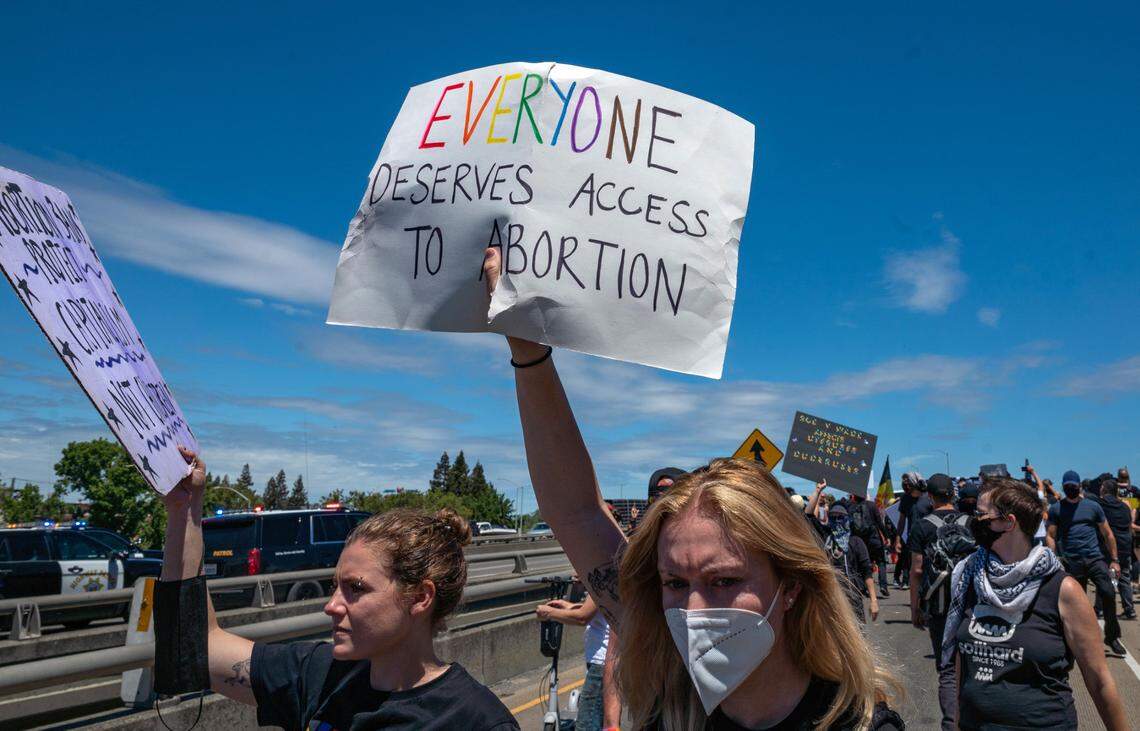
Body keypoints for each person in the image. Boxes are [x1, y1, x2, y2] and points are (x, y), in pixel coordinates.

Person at [483, 248, 902, 730]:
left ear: (789, 586)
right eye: (675, 583)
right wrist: (527, 350)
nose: (693, 612)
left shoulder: (860, 724)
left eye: (724, 581)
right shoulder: (673, 689)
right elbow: (577, 511)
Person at [156, 447, 519, 731]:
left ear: (420, 597)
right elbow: (197, 649)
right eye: (335, 587)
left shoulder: (476, 721)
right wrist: (185, 512)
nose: (331, 606)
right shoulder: (319, 674)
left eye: (355, 588)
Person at [943, 477, 1127, 730]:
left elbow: (1099, 680)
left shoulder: (1064, 590)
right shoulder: (970, 576)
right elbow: (961, 664)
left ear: (1008, 523)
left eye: (982, 515)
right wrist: (955, 721)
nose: (974, 521)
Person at [907, 473, 974, 731]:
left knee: (947, 669)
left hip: (938, 605)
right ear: (953, 496)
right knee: (971, 664)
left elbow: (916, 570)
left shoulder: (922, 526)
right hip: (970, 603)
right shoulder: (972, 522)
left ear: (930, 497)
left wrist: (916, 608)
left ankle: (951, 724)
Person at [1046, 470, 1126, 656]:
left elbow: (1107, 534)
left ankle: (1112, 636)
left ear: (1079, 486)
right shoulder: (1057, 509)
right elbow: (1051, 535)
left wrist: (1114, 560)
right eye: (1068, 487)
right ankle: (1071, 640)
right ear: (1064, 488)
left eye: (1074, 486)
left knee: (1107, 592)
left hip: (1094, 558)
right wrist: (1054, 558)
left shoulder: (1093, 507)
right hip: (1071, 561)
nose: (1071, 489)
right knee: (1073, 603)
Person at [536, 593, 621, 731]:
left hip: (602, 664)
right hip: (603, 662)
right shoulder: (606, 580)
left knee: (587, 723)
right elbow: (595, 608)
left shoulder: (601, 577)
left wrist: (548, 613)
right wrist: (567, 606)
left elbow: (582, 617)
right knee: (604, 722)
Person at [806, 482, 880, 622]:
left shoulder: (856, 542)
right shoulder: (825, 536)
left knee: (857, 635)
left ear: (848, 519)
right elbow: (808, 516)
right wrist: (818, 491)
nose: (837, 521)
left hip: (853, 598)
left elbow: (867, 572)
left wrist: (874, 600)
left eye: (841, 517)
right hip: (830, 599)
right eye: (833, 517)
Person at [1085, 476, 1136, 620]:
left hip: (1107, 547)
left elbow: (1087, 495)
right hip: (1125, 546)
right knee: (1124, 579)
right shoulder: (1125, 507)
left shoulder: (1100, 504)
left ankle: (1099, 610)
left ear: (1104, 490)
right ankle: (1129, 609)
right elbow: (1128, 526)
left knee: (1103, 578)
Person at [849, 491, 891, 598]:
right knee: (881, 562)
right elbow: (879, 523)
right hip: (874, 539)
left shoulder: (851, 507)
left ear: (854, 496)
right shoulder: (872, 505)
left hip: (860, 542)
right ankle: (883, 586)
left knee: (863, 564)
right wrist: (887, 537)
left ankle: (863, 587)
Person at [894, 472, 927, 589]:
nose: (906, 487)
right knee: (915, 569)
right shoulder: (905, 499)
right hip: (912, 540)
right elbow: (901, 521)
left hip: (928, 540)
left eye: (908, 484)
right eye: (904, 484)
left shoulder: (928, 498)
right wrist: (897, 540)